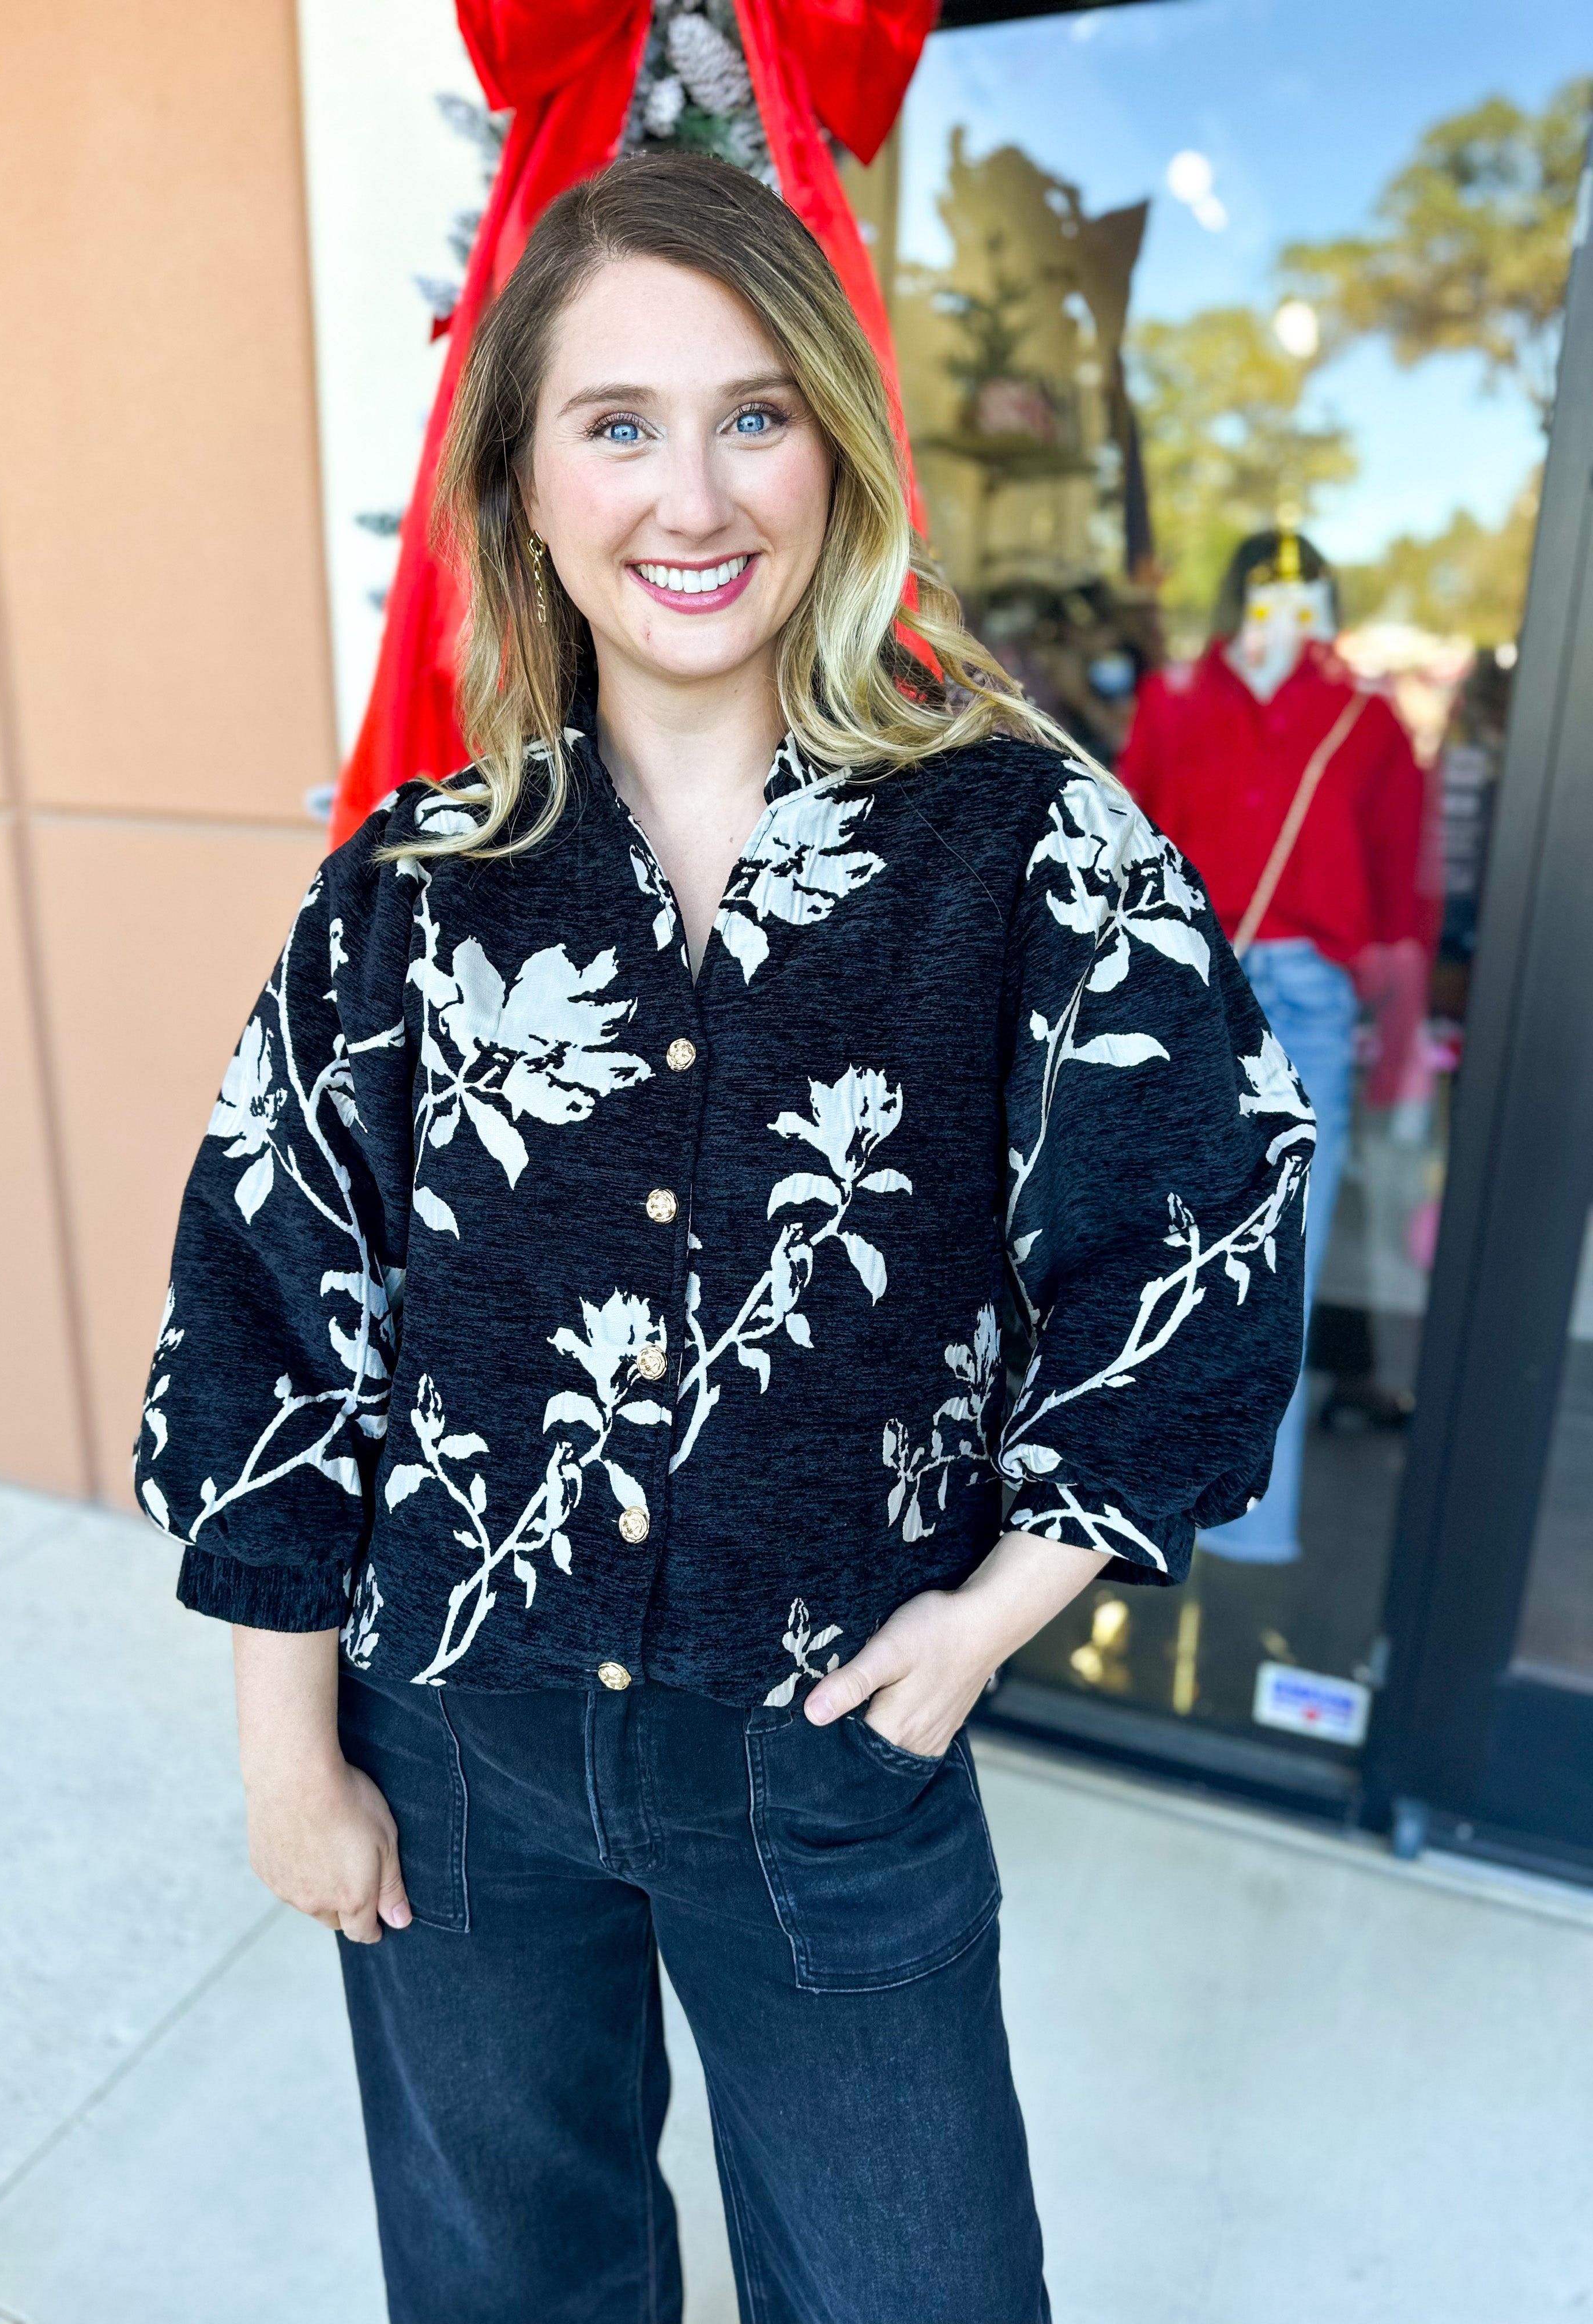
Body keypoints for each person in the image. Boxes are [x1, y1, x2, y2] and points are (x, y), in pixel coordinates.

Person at [136, 152, 1309, 2324]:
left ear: (835, 453)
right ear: (526, 481)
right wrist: (286, 1754)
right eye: (620, 423)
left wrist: (976, 1628)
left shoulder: (1020, 831)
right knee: (511, 2286)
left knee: (915, 2290)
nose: (695, 496)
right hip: (453, 1738)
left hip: (825, 1755)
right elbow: (272, 1321)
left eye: (754, 414)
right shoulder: (412, 886)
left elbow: (1205, 1227)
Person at [1119, 530, 1434, 1564]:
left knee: (1279, 1258)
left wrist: (1399, 1037)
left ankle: (1252, 1529)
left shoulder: (1364, 717)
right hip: (1186, 985)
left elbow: (1397, 895)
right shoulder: (1177, 698)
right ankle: (1127, 1506)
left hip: (1306, 992)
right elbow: (1122, 844)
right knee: (1148, 1244)